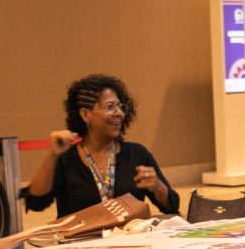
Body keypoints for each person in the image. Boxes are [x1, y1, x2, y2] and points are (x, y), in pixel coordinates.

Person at [25, 74, 179, 218]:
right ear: (86, 114)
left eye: (121, 107)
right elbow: (36, 203)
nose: (119, 113)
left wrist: (158, 187)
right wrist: (52, 155)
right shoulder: (66, 158)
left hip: (130, 237)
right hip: (82, 238)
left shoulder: (137, 154)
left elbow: (171, 206)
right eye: (110, 106)